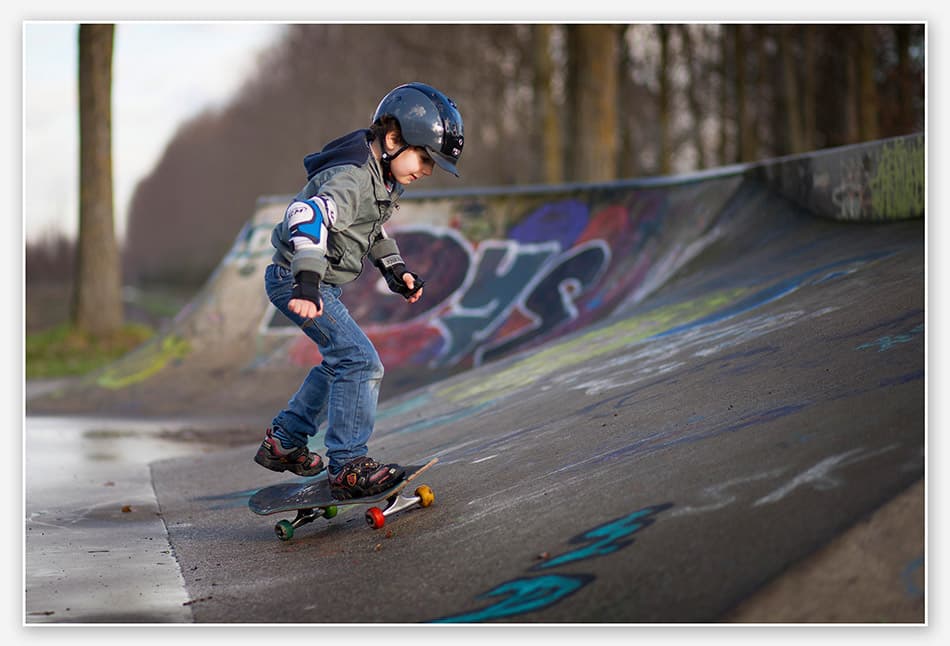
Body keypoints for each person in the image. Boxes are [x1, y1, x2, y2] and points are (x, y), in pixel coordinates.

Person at [253, 82, 464, 500]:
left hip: (319, 283)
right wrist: (308, 283)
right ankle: (347, 464)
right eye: (423, 157)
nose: (425, 169)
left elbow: (370, 227)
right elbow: (307, 217)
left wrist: (394, 267)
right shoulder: (351, 177)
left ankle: (285, 440)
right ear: (392, 139)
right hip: (297, 278)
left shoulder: (381, 177)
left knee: (339, 363)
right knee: (361, 362)